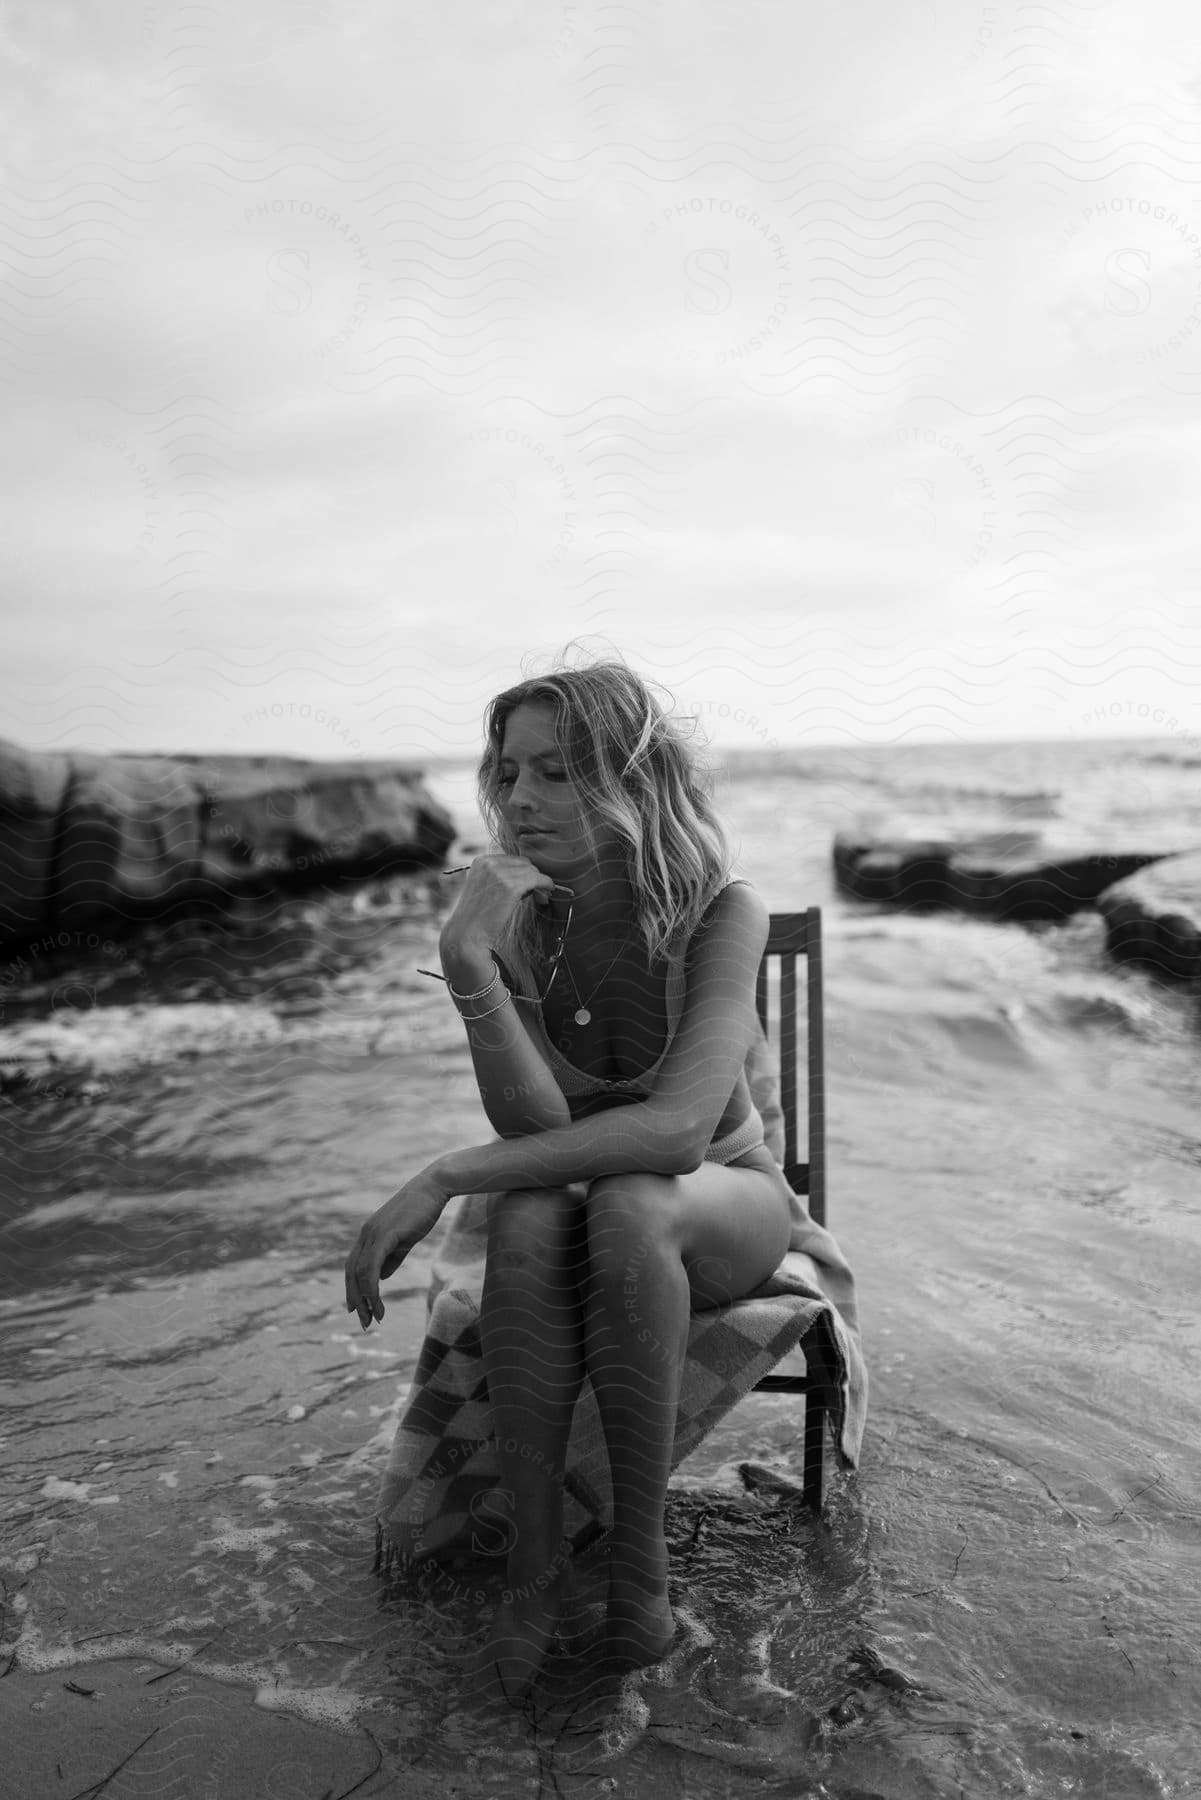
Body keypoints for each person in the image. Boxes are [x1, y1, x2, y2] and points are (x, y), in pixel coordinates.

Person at [344, 657, 796, 1701]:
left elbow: (681, 1132)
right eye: (507, 773)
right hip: (583, 1206)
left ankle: (638, 1568)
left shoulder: (719, 911)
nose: (521, 799)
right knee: (536, 1209)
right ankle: (537, 1567)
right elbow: (538, 1125)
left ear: (630, 779)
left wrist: (443, 1173)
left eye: (556, 771)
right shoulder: (519, 925)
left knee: (624, 1193)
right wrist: (466, 960)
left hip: (725, 1206)